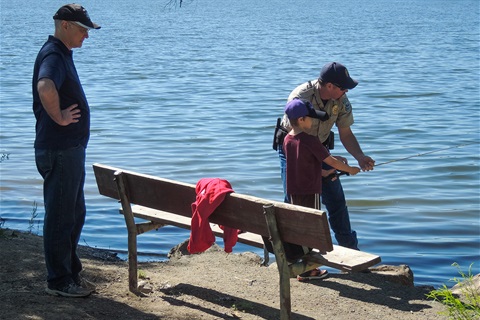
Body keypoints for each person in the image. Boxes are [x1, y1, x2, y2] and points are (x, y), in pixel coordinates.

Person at [32, 4, 101, 298]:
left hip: (69, 150)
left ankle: (70, 272)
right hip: (59, 150)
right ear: (65, 26)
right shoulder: (53, 54)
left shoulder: (62, 54)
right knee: (61, 216)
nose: (87, 35)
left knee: (74, 213)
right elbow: (45, 86)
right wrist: (59, 117)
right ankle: (59, 281)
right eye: (83, 29)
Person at [279, 62, 375, 250]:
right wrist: (325, 164)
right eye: (343, 87)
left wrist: (360, 157)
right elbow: (297, 141)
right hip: (293, 151)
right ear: (329, 86)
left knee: (337, 201)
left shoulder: (342, 101)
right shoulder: (301, 97)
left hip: (318, 149)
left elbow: (345, 133)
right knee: (295, 200)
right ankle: (295, 253)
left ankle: (351, 251)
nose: (346, 91)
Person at [282, 98, 360, 281]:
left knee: (300, 226)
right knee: (311, 228)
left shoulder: (287, 139)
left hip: (294, 191)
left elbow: (300, 163)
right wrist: (351, 170)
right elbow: (331, 161)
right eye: (310, 118)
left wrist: (322, 174)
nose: (313, 122)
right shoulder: (310, 140)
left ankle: (302, 264)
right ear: (301, 120)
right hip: (310, 191)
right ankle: (308, 270)